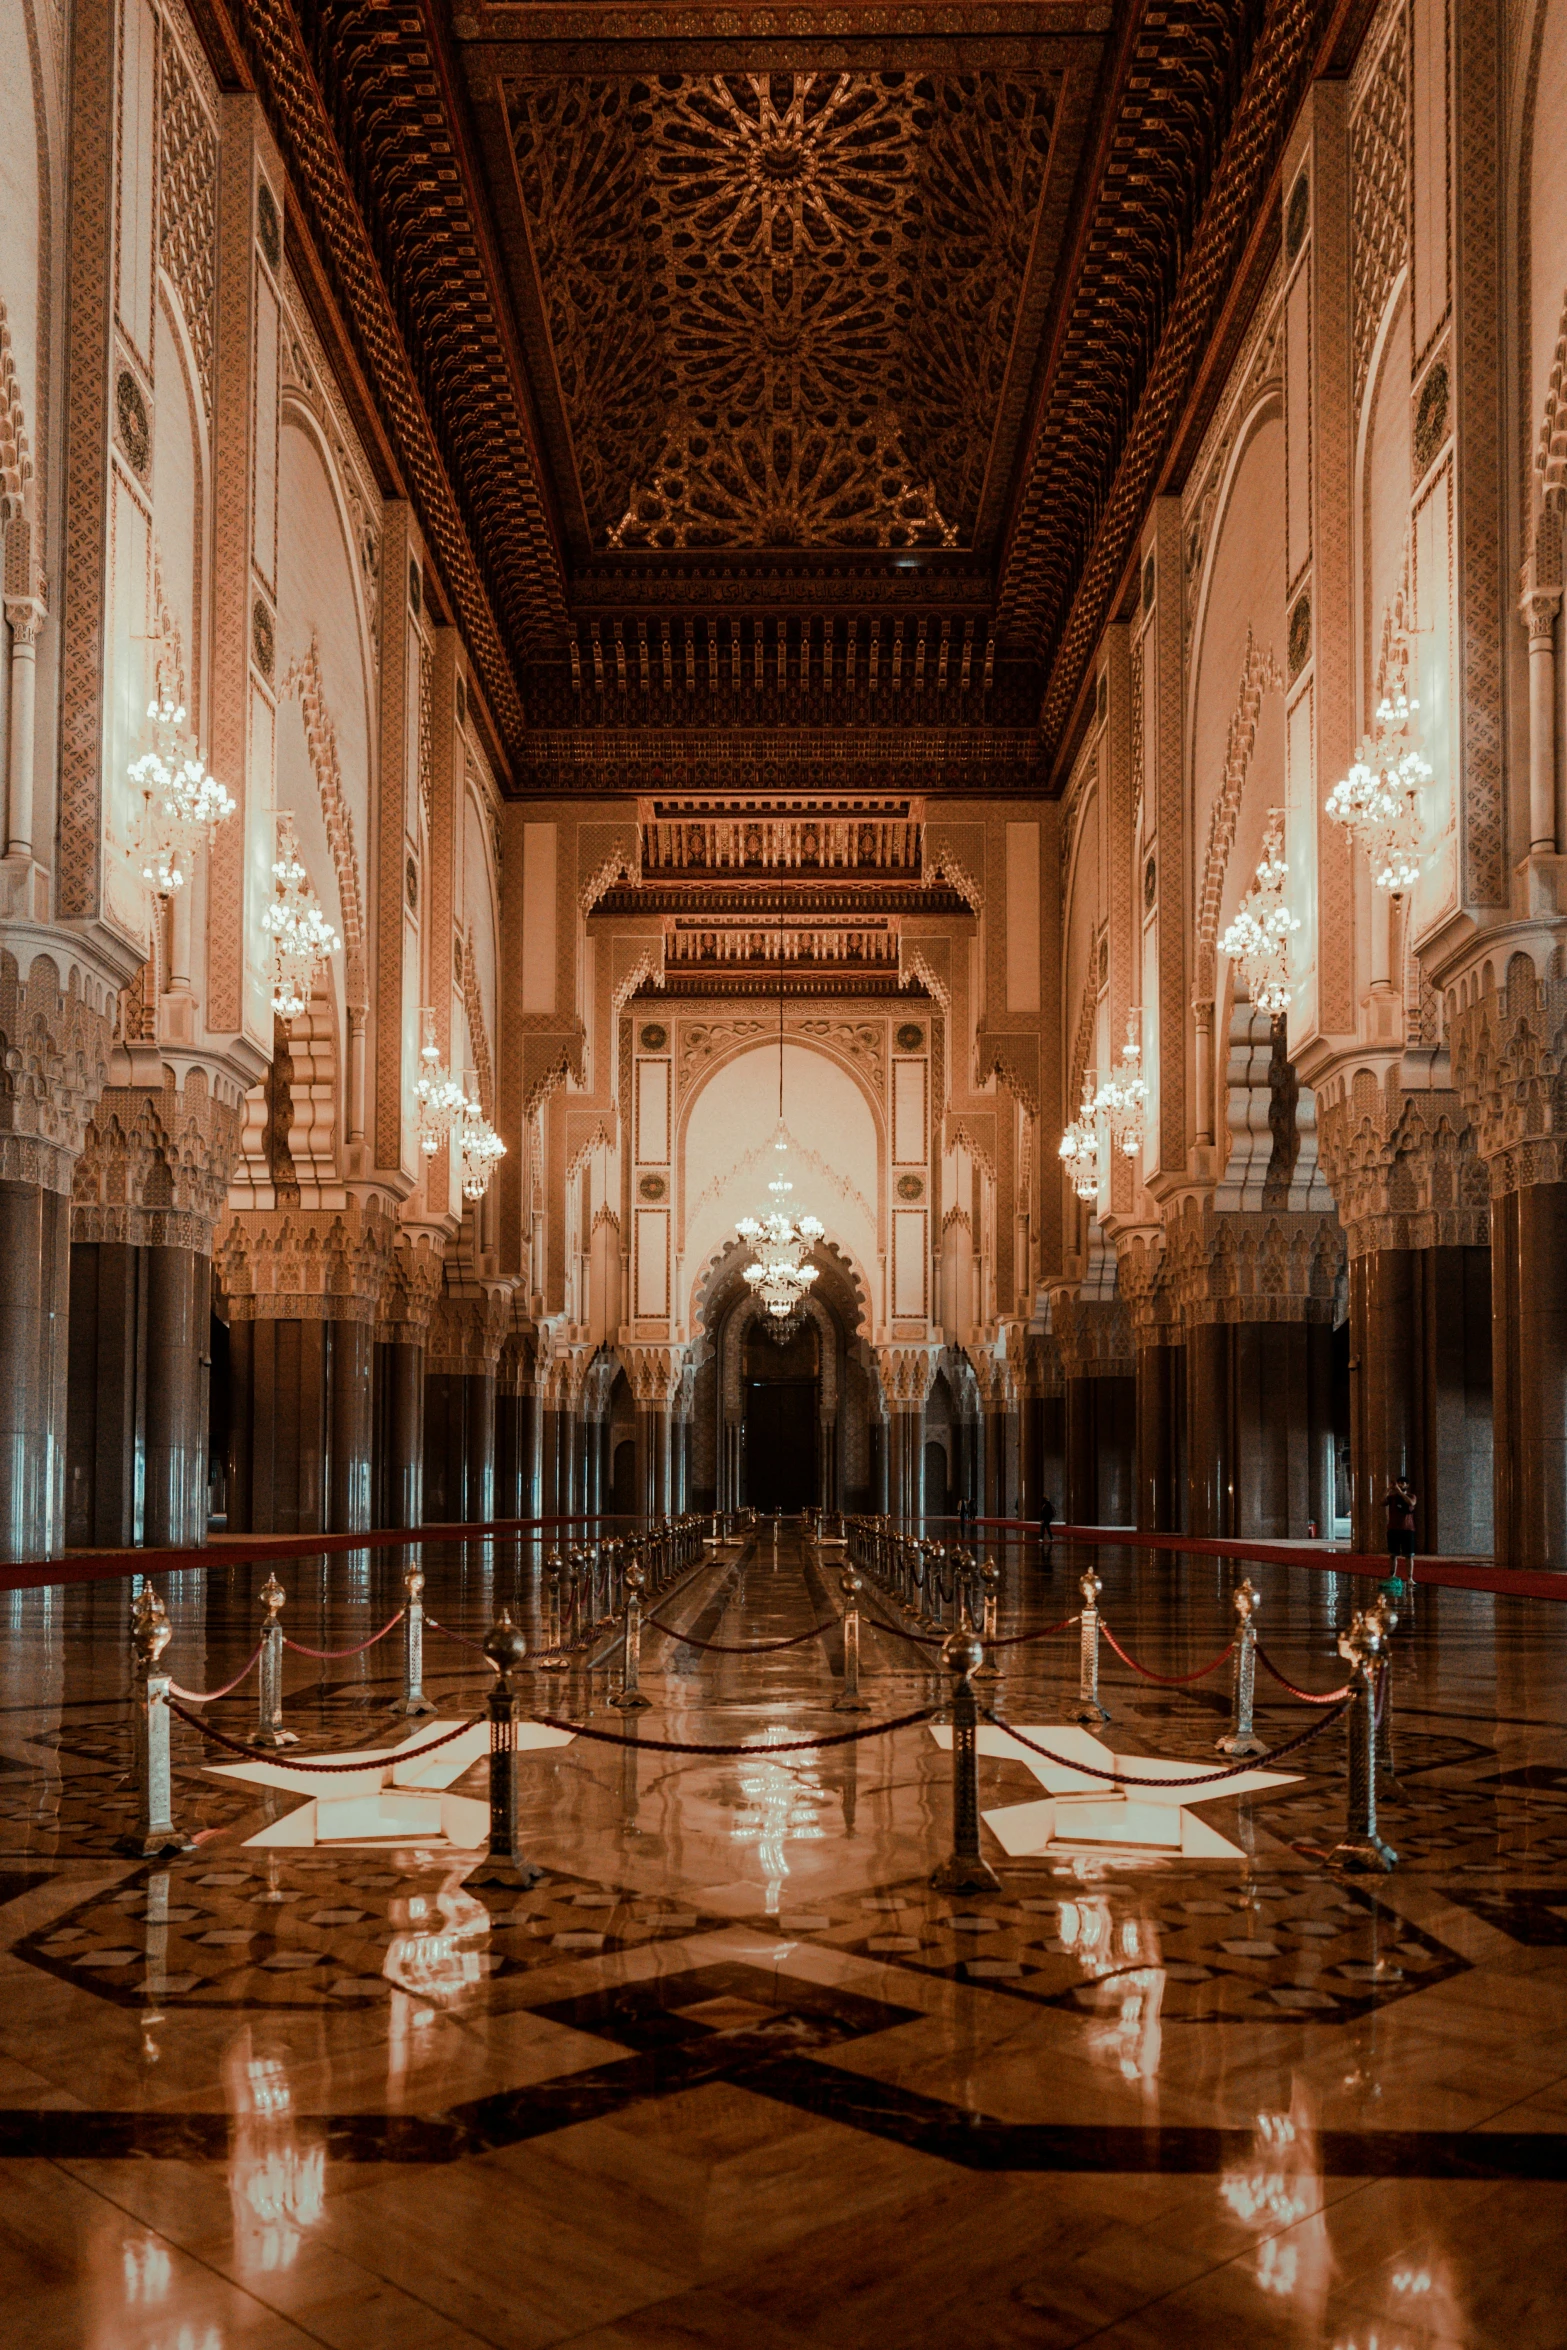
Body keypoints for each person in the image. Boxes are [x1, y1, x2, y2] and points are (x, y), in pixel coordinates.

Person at [1383, 1477, 1416, 1589]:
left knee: (1409, 1555)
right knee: (1393, 1554)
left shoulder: (1411, 1496)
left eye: (1403, 1483)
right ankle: (1392, 1575)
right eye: (1399, 1483)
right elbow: (1381, 1502)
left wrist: (1399, 1492)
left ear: (1407, 1485)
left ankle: (1410, 1577)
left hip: (1408, 1529)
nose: (1400, 1485)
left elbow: (1411, 1503)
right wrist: (1388, 1490)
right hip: (1393, 1529)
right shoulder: (1392, 1498)